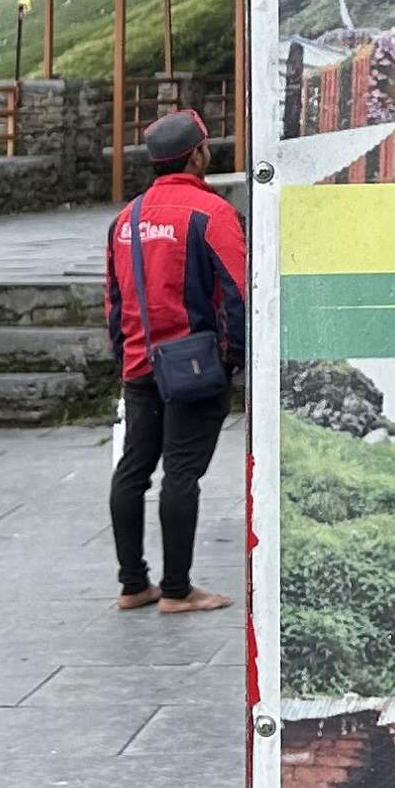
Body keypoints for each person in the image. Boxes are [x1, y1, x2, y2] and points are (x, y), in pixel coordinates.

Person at [104, 110, 248, 614]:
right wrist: (235, 359)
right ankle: (177, 589)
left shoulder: (127, 219)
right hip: (194, 368)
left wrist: (126, 355)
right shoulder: (212, 213)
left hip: (140, 364)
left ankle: (132, 584)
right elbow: (237, 292)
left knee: (133, 471)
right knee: (182, 475)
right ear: (196, 155)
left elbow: (114, 301)